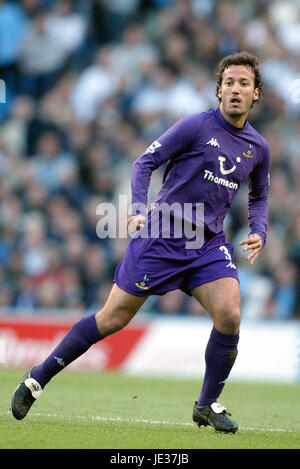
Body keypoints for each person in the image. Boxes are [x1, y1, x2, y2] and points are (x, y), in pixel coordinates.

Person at [11, 51, 270, 434]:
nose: (235, 89)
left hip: (207, 243)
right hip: (162, 237)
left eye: (243, 83)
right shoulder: (195, 126)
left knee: (230, 315)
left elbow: (259, 195)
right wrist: (136, 208)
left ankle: (206, 404)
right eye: (229, 82)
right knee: (112, 318)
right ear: (219, 90)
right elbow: (143, 163)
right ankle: (38, 377)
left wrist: (259, 231)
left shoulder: (258, 147)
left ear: (256, 94)